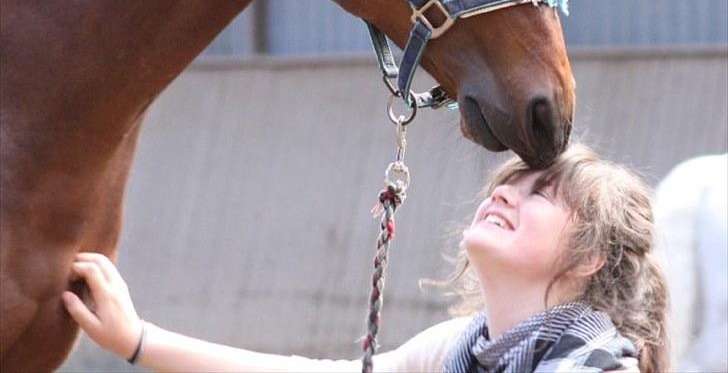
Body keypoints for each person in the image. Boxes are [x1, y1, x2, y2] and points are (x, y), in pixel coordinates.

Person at [62, 145, 669, 372]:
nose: (504, 192)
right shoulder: (462, 350)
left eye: (542, 193)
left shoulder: (595, 369)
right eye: (506, 182)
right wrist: (137, 340)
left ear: (591, 256)